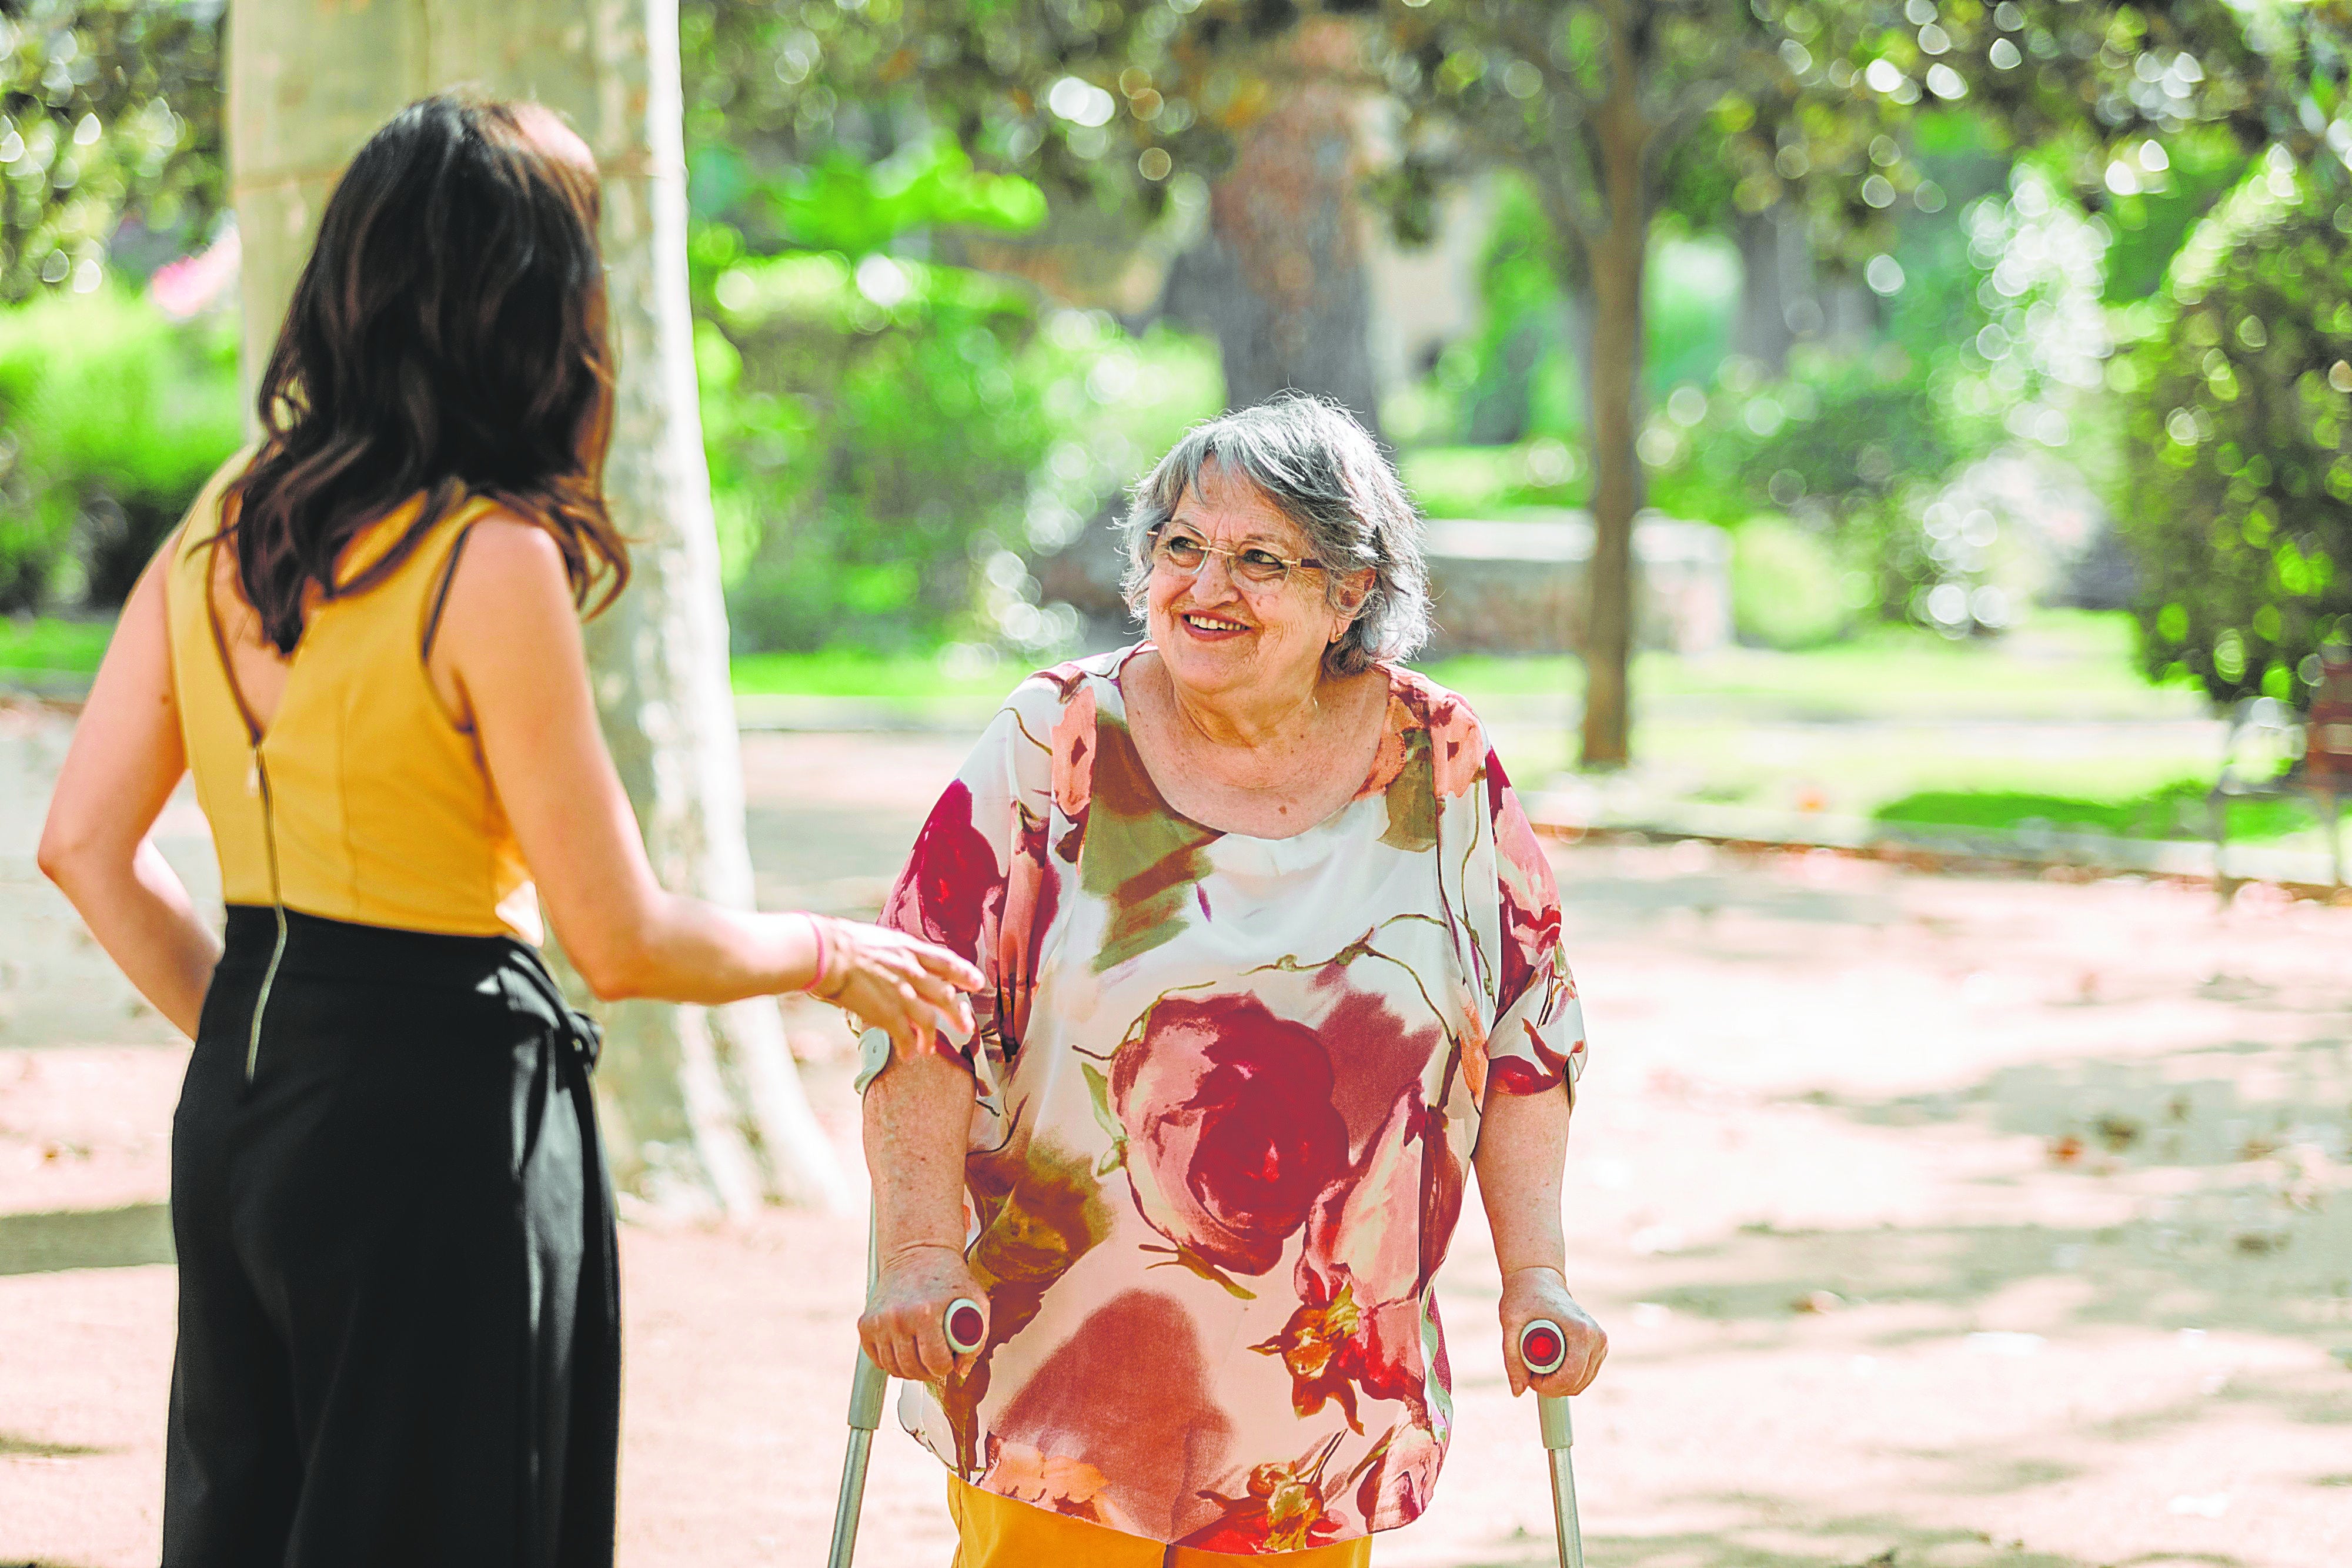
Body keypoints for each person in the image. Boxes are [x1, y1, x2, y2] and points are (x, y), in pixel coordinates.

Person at [35, 92, 979, 1568]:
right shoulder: (489, 555)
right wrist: (827, 951)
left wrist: (260, 1044)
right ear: (531, 309)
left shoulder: (225, 518)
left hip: (245, 1098)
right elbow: (617, 932)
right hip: (444, 1113)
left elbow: (85, 844)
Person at [856, 394, 1606, 1565]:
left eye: (1258, 558)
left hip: (1316, 1398)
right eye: (1179, 546)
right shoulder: (1052, 738)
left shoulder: (1440, 765)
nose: (1205, 587)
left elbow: (1528, 1029)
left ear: (1347, 591)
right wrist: (913, 1250)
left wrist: (1537, 1275)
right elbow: (920, 1008)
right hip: (1060, 1370)